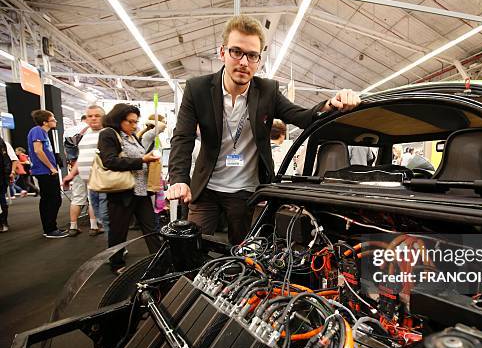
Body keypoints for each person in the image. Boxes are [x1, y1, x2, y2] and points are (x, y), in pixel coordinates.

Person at [167, 14, 360, 245]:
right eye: (236, 52)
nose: (244, 62)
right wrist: (179, 178)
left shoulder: (267, 91)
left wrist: (332, 103)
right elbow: (183, 136)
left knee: (246, 258)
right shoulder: (197, 89)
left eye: (252, 55)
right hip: (206, 188)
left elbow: (303, 116)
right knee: (191, 250)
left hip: (247, 192)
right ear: (222, 53)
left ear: (259, 60)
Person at [97, 103, 162, 274]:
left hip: (141, 191)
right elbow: (109, 161)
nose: (134, 126)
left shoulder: (133, 137)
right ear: (119, 120)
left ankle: (160, 260)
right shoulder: (108, 134)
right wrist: (142, 160)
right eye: (130, 122)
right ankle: (116, 264)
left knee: (151, 228)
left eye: (136, 122)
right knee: (119, 230)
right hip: (122, 192)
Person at [62, 105, 108, 236]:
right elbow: (81, 157)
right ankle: (92, 227)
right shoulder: (86, 135)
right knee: (85, 201)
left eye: (97, 115)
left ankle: (116, 247)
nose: (93, 118)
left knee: (109, 217)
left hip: (103, 181)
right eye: (90, 116)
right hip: (89, 180)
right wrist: (70, 174)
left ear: (104, 117)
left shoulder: (107, 133)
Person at [27, 110, 67, 238]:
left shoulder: (42, 132)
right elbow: (38, 151)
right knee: (52, 200)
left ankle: (51, 228)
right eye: (53, 119)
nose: (55, 121)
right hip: (44, 171)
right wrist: (51, 168)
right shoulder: (37, 130)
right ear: (45, 122)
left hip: (47, 171)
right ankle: (50, 229)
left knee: (51, 199)